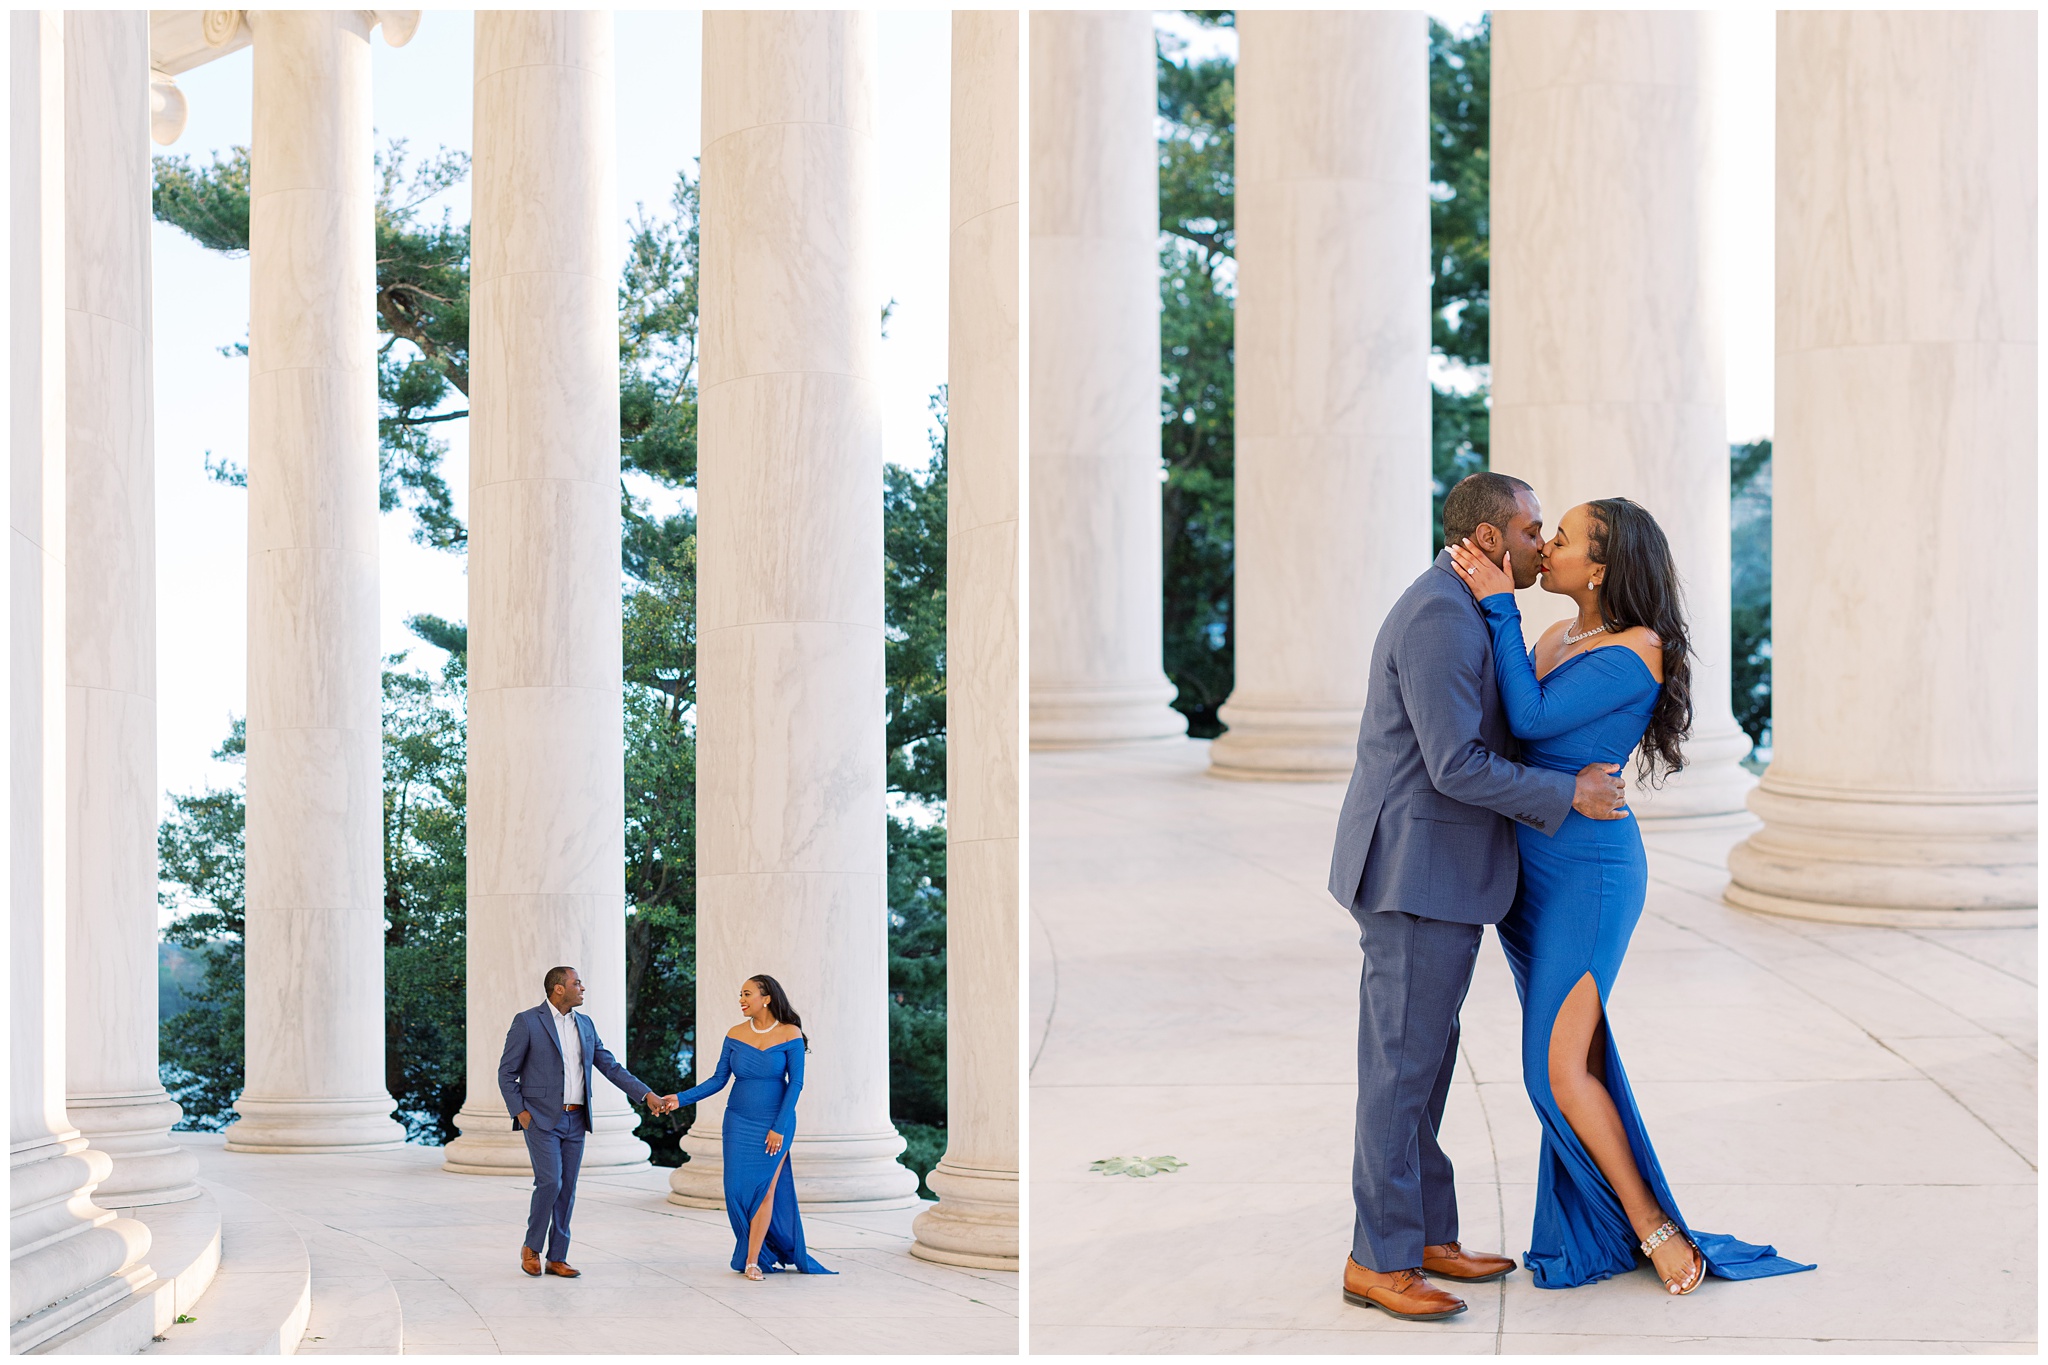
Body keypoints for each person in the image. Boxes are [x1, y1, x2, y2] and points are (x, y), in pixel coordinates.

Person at [1446, 497, 1814, 1292]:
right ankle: (1611, 1221)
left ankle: (1652, 1226)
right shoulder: (1553, 635)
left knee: (1554, 1068)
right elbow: (1508, 739)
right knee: (1566, 1060)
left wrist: (1497, 606)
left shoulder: (1636, 648)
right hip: (1531, 873)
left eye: (1565, 539)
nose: (1546, 546)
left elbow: (1527, 711)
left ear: (1602, 567)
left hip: (1593, 873)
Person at [1328, 472, 1630, 1322]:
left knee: (1419, 1067)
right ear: (1493, 540)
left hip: (1442, 875)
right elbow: (1454, 762)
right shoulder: (1437, 615)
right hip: (1414, 871)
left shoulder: (1469, 609)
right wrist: (1565, 791)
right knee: (1398, 1072)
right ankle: (1375, 1260)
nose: (1544, 544)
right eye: (1535, 529)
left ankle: (1423, 1234)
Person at [655, 975, 835, 1279]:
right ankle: (758, 1251)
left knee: (765, 1191)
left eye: (747, 994)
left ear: (765, 998)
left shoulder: (790, 1033)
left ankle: (752, 1260)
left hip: (775, 1124)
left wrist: (779, 1126)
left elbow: (796, 1084)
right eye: (740, 994)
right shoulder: (735, 1034)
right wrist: (680, 1099)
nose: (741, 999)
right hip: (738, 1122)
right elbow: (718, 1079)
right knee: (736, 1191)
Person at [498, 964, 669, 1279]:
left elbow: (610, 1066)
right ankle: (531, 1247)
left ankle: (557, 1257)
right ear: (559, 988)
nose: (583, 988)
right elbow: (506, 1072)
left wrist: (647, 1096)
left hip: (576, 1119)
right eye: (578, 983)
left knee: (568, 1189)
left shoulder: (586, 1025)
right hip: (540, 1118)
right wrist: (520, 1112)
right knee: (550, 1182)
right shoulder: (527, 1022)